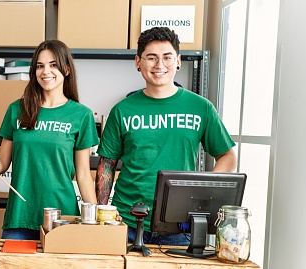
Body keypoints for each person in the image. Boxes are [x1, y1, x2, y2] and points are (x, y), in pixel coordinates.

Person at [95, 27, 237, 246]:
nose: (159, 65)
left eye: (167, 58)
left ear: (178, 61)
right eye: (151, 58)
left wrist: (205, 189)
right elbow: (107, 164)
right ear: (137, 62)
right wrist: (101, 213)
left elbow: (227, 155)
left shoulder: (201, 108)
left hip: (180, 224)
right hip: (125, 222)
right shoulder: (122, 110)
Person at [0, 40, 99, 240]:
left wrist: (95, 219)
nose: (46, 72)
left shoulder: (81, 115)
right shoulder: (16, 110)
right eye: (40, 66)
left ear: (66, 69)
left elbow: (84, 174)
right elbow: (1, 163)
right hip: (20, 217)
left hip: (63, 218)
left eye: (53, 65)